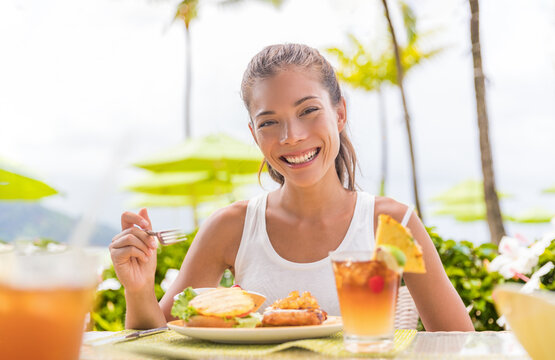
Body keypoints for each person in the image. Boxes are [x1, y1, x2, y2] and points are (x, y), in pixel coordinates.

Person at [110, 44, 474, 331]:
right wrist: (139, 288)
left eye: (308, 111)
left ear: (340, 113)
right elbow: (158, 340)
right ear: (254, 134)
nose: (292, 137)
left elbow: (460, 345)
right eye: (269, 122)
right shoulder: (230, 227)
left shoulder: (391, 225)